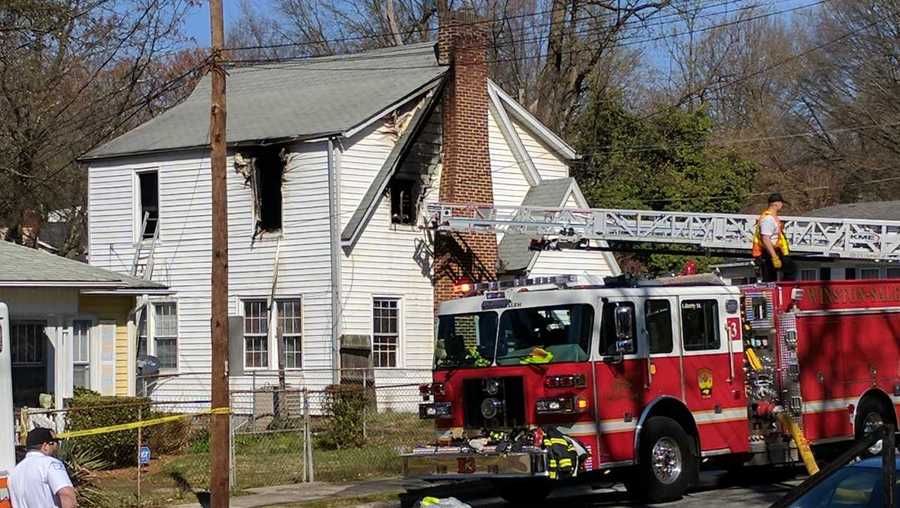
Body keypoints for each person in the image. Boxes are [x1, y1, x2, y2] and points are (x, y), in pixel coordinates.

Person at [8, 428, 77, 508]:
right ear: (45, 446)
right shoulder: (50, 463)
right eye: (55, 443)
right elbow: (67, 495)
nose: (57, 446)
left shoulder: (14, 473)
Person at [752, 192, 796, 282]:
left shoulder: (772, 217)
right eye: (781, 203)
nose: (782, 205)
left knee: (786, 271)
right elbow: (766, 239)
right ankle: (784, 290)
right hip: (769, 252)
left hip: (775, 250)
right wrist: (774, 257)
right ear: (776, 204)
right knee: (789, 270)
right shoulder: (768, 219)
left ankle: (782, 290)